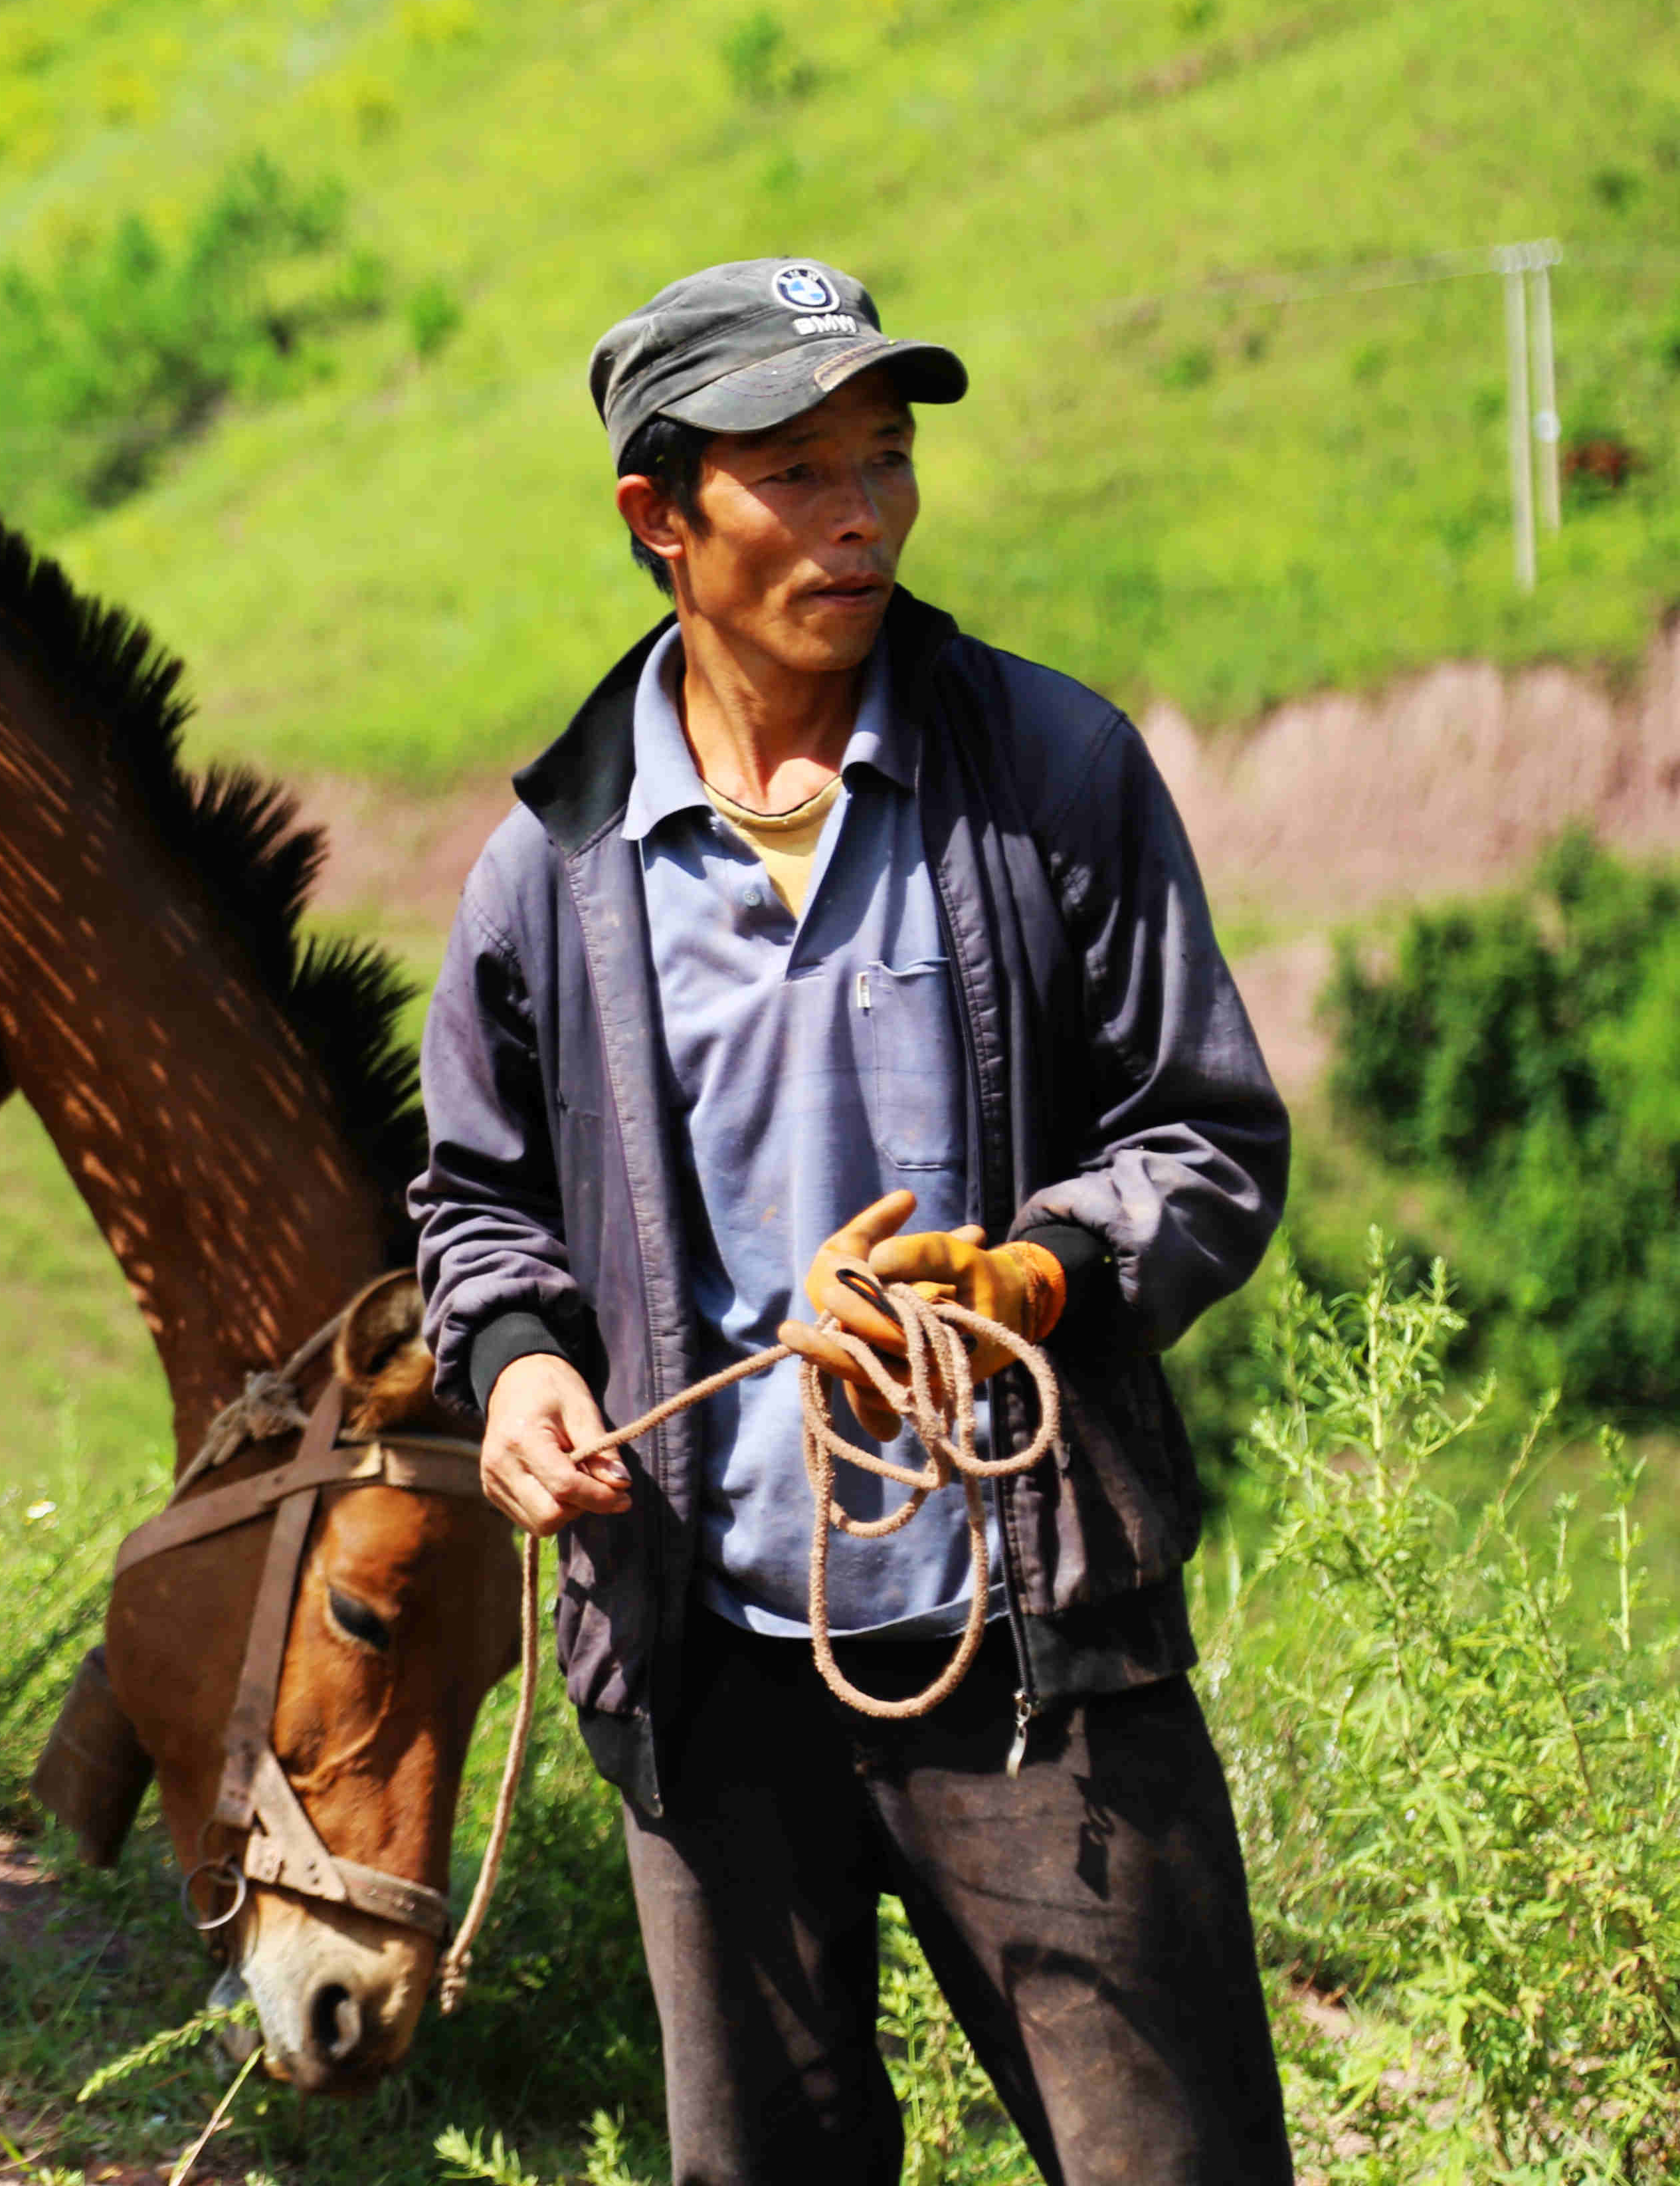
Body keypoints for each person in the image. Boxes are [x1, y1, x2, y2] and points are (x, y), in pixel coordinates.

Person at [410, 258, 1294, 2183]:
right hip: (710, 1663)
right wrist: (522, 1369)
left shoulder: (1053, 781)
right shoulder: (551, 872)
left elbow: (1208, 1140)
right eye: (795, 471)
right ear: (659, 518)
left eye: (883, 458)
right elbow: (479, 1207)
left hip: (1038, 1653)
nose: (863, 513)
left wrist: (1025, 1274)